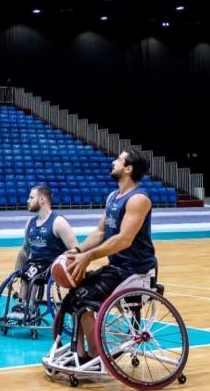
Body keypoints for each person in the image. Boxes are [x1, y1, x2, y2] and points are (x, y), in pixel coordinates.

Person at [63, 147, 155, 362]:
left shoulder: (138, 199)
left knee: (82, 297)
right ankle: (79, 352)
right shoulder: (113, 196)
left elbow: (124, 239)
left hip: (135, 270)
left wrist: (89, 257)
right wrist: (78, 251)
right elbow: (100, 232)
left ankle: (95, 354)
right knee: (73, 292)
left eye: (119, 159)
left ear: (128, 168)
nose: (113, 161)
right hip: (117, 269)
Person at [10, 186, 79, 319]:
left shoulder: (58, 222)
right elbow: (25, 250)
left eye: (31, 197)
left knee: (33, 272)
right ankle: (21, 303)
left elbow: (75, 249)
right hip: (34, 264)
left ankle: (29, 306)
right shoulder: (30, 223)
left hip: (52, 265)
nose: (27, 200)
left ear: (42, 200)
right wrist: (16, 273)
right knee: (25, 270)